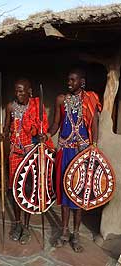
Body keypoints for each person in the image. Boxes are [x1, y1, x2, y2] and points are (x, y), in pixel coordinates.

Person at [43, 67, 101, 252]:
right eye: (68, 79)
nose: (69, 82)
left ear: (81, 82)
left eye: (73, 80)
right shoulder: (61, 99)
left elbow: (94, 125)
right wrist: (46, 135)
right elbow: (56, 124)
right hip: (64, 152)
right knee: (64, 192)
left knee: (78, 193)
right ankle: (65, 232)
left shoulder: (91, 99)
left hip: (81, 153)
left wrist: (94, 147)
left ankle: (76, 234)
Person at [3, 78, 53, 245]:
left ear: (29, 91)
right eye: (16, 91)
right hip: (15, 153)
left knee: (28, 190)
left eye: (21, 91)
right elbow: (6, 127)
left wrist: (42, 136)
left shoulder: (37, 106)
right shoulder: (10, 107)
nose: (18, 94)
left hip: (31, 154)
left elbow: (43, 129)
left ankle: (26, 226)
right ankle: (17, 224)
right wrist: (2, 134)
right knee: (16, 191)